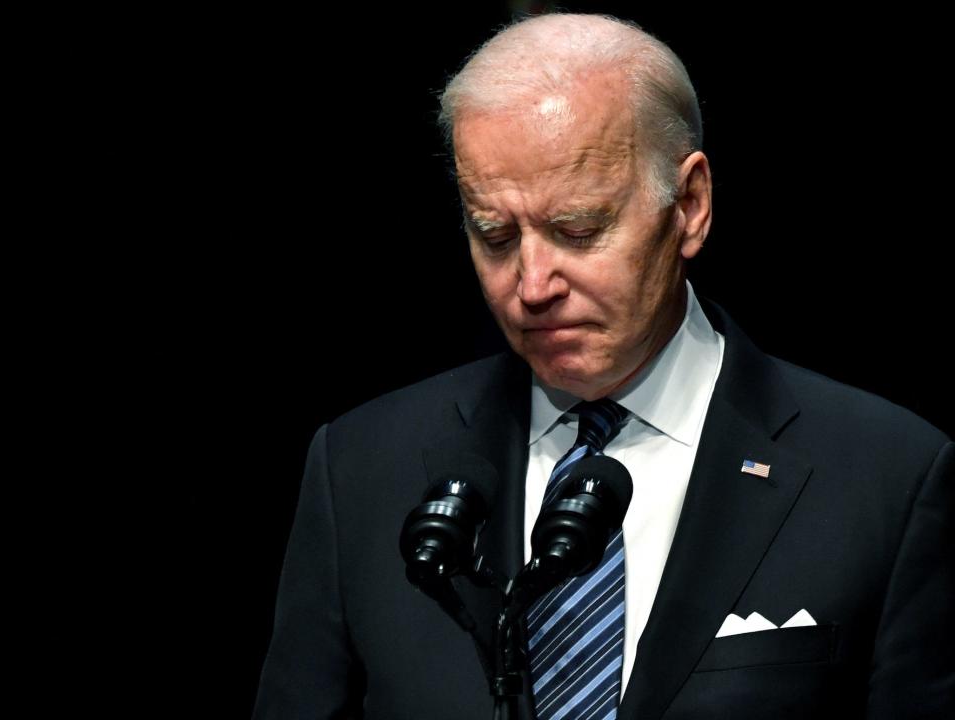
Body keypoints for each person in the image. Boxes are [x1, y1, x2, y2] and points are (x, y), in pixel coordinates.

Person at [253, 13, 953, 720]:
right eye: (495, 236)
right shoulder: (362, 469)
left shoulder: (886, 477)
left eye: (578, 232)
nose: (531, 285)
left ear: (689, 205)